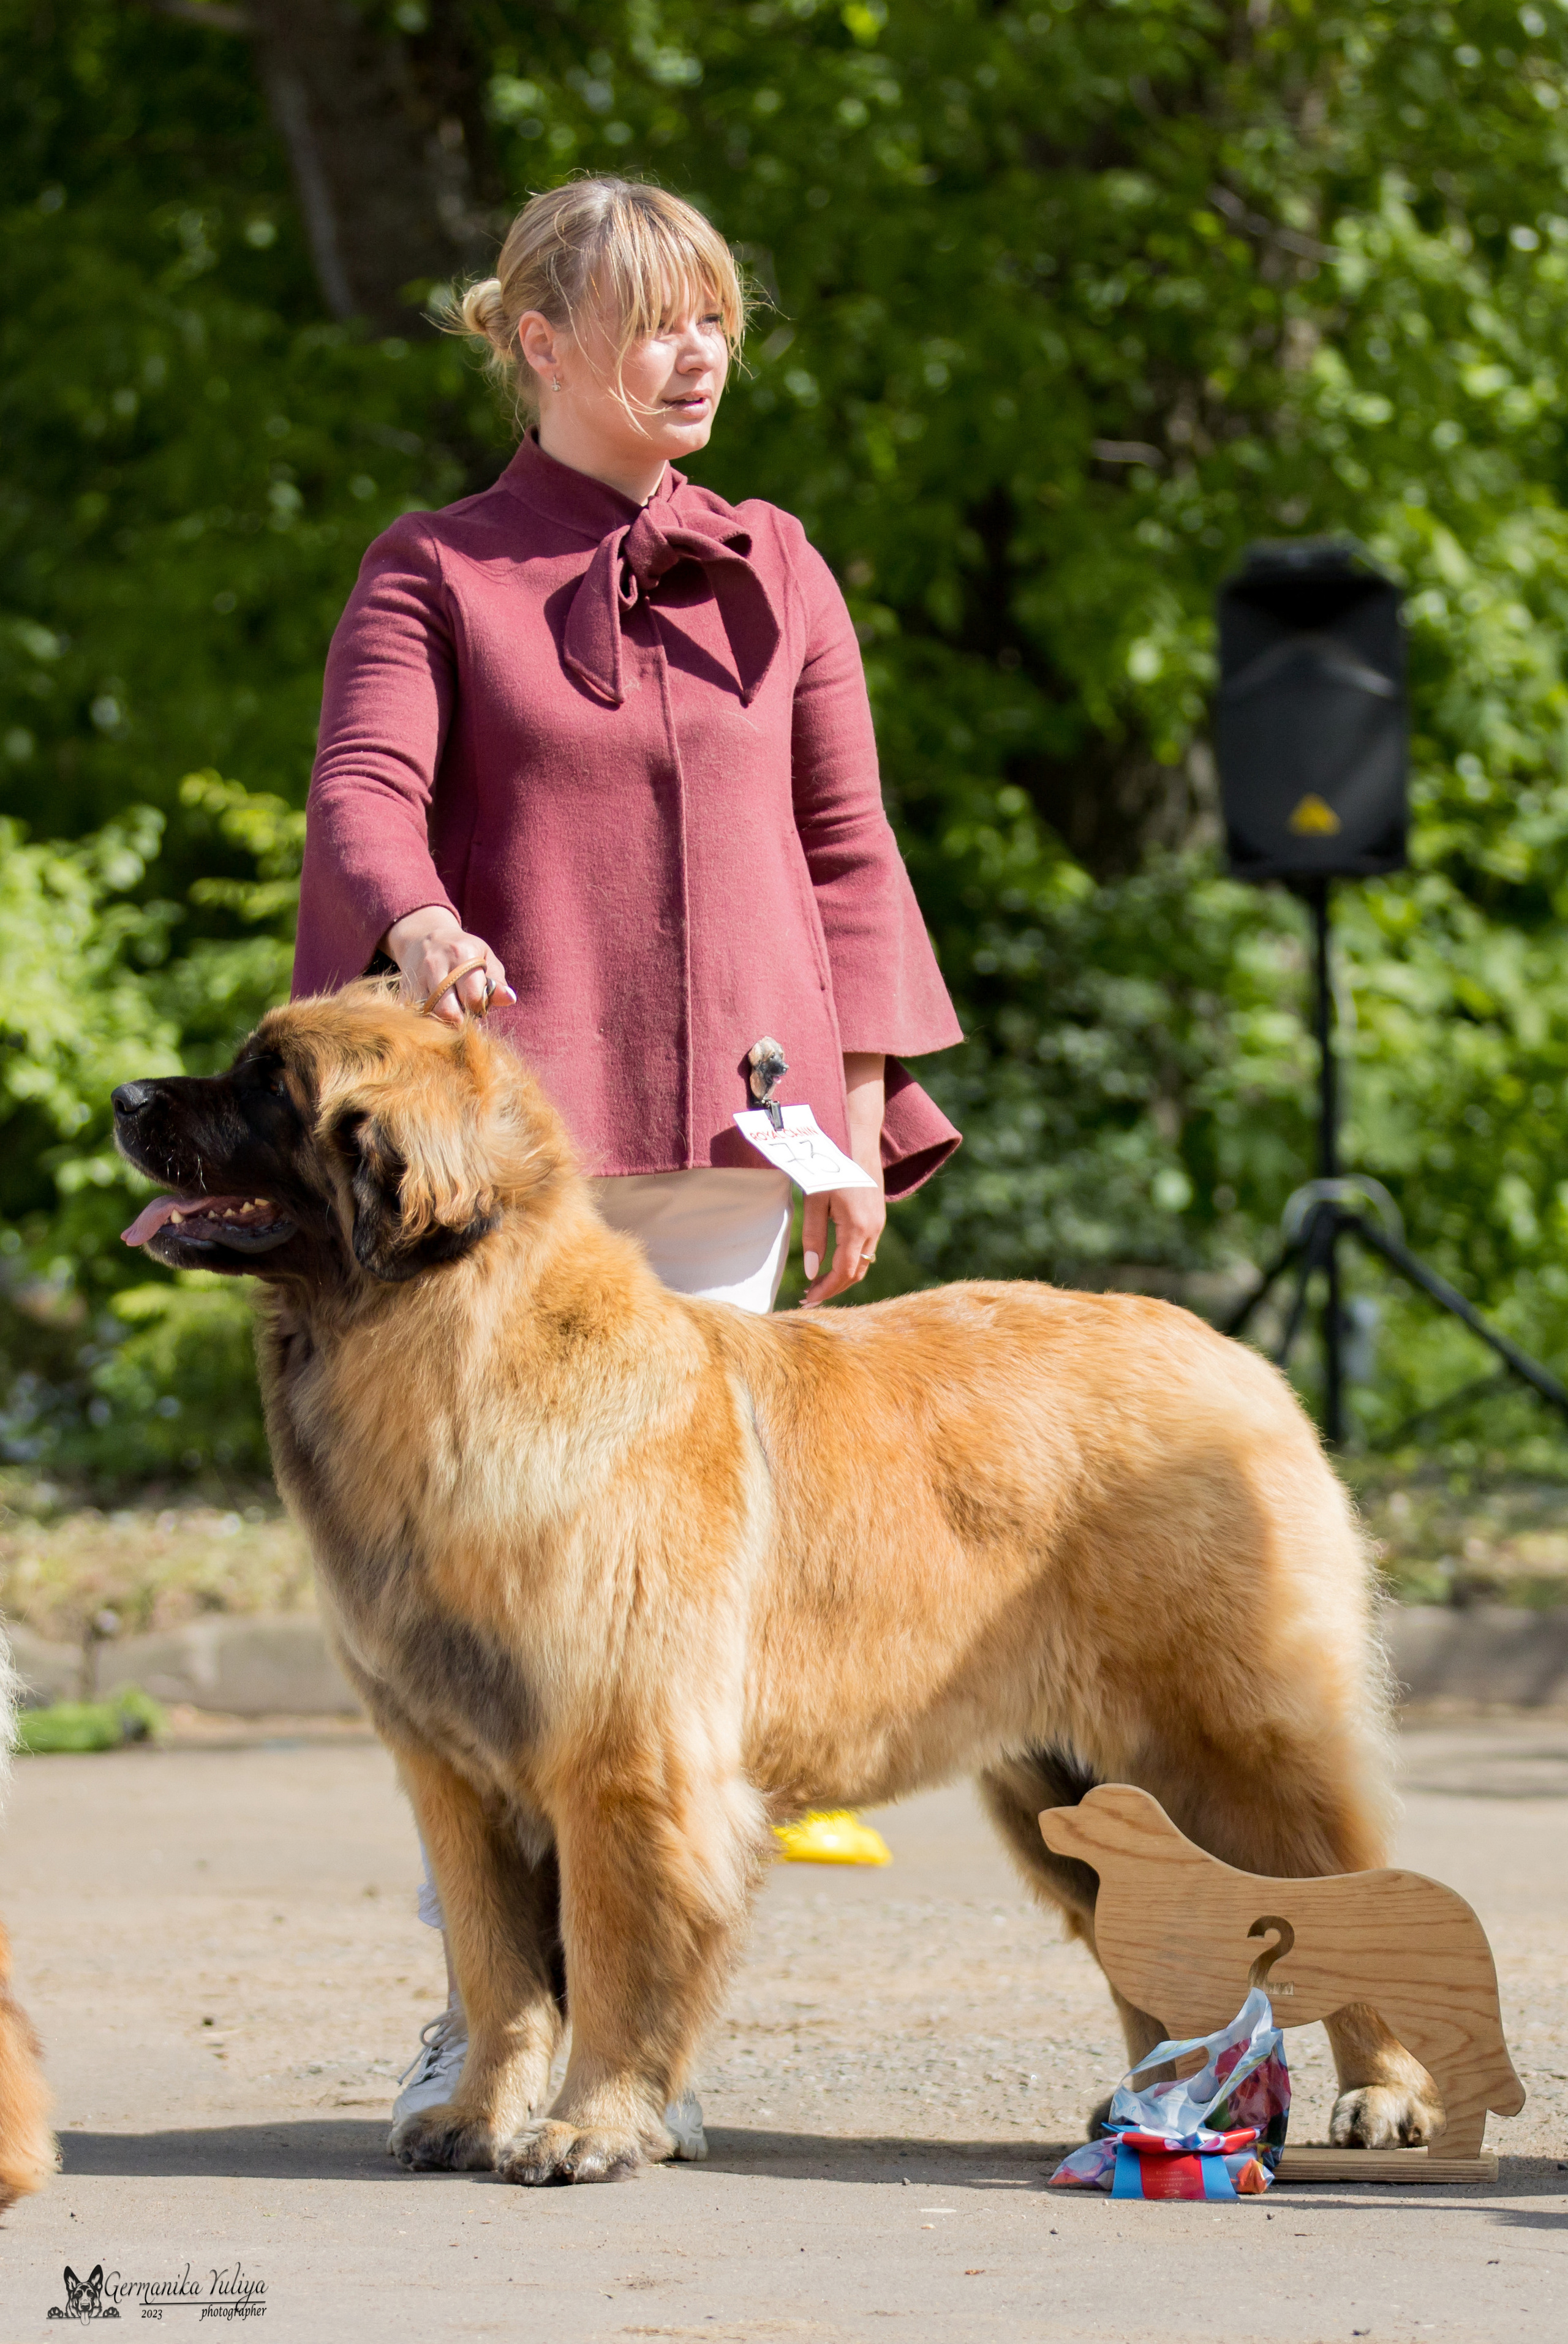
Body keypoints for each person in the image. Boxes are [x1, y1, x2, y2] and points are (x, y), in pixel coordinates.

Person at [291, 176, 963, 2154]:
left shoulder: (784, 564)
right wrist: (410, 926)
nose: (699, 356)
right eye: (656, 321)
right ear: (535, 342)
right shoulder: (434, 569)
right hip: (512, 1197)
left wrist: (852, 1114)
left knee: (661, 1641)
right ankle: (482, 2018)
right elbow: (365, 790)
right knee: (498, 1628)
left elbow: (848, 846)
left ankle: (630, 2034)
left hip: (740, 1150)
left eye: (720, 322)